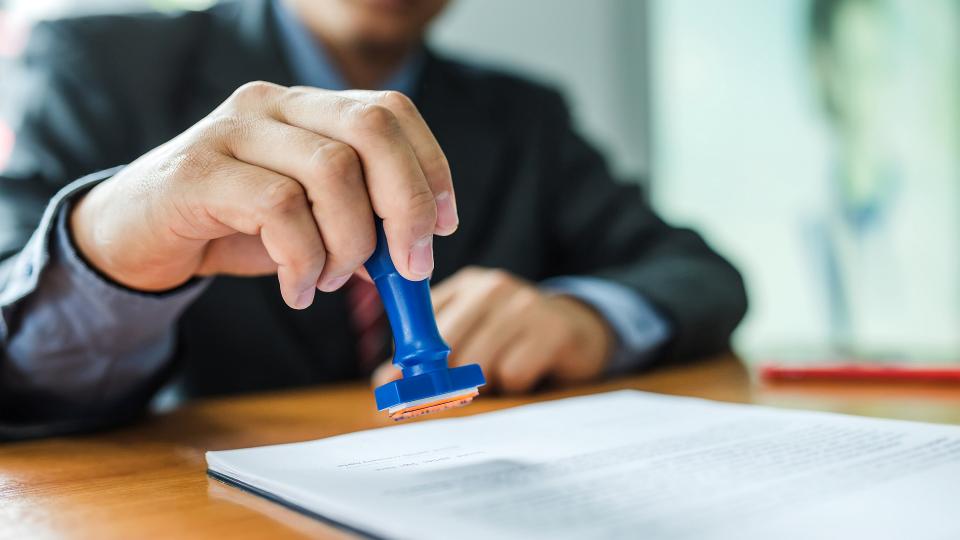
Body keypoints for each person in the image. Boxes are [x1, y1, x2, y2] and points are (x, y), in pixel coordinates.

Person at [0, 0, 747, 438]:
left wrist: (588, 318)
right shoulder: (99, 62)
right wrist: (103, 249)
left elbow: (698, 273)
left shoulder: (525, 115)